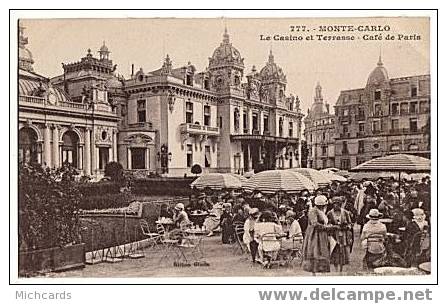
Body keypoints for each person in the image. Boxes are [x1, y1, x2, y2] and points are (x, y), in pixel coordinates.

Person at [302, 195, 332, 274]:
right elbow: (314, 224)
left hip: (322, 234)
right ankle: (313, 271)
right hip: (314, 234)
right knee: (315, 251)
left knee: (322, 251)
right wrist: (326, 227)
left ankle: (321, 270)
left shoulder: (321, 211)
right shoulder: (313, 211)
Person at [327, 197, 353, 271]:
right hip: (334, 235)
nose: (336, 206)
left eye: (338, 204)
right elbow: (327, 224)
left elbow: (350, 224)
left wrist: (346, 227)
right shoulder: (329, 213)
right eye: (334, 204)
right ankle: (335, 268)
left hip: (344, 235)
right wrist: (332, 227)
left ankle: (342, 268)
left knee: (343, 251)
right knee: (335, 251)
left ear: (340, 204)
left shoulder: (345, 212)